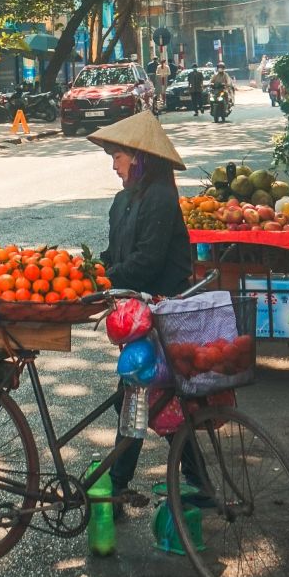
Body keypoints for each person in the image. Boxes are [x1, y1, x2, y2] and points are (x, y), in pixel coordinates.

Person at [90, 111, 192, 506]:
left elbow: (147, 262)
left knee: (151, 398)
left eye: (117, 156)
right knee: (137, 396)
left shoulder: (162, 199)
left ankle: (122, 482)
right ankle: (120, 482)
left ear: (138, 157)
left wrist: (105, 280)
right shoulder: (122, 201)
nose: (113, 164)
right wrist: (92, 272)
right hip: (136, 316)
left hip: (163, 315)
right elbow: (115, 255)